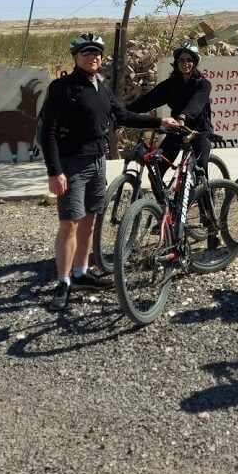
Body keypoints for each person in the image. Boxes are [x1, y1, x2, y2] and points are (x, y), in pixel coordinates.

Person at [39, 32, 179, 312]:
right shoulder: (62, 88)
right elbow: (48, 132)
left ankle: (81, 272)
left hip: (97, 162)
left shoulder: (100, 87)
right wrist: (55, 171)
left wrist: (160, 120)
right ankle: (64, 281)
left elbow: (124, 116)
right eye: (86, 53)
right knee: (69, 222)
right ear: (76, 57)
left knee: (89, 219)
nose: (93, 57)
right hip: (72, 163)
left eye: (96, 53)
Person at [128, 43, 214, 174]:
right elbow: (148, 101)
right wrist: (124, 113)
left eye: (189, 60)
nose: (185, 63)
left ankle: (205, 194)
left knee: (199, 174)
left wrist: (182, 116)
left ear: (195, 62)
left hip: (198, 132)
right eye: (181, 60)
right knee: (157, 170)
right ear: (176, 62)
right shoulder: (171, 85)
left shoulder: (203, 84)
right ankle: (163, 194)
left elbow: (196, 104)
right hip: (177, 130)